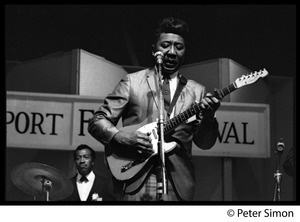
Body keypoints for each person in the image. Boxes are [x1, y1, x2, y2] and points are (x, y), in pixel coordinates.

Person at [88, 17, 220, 201]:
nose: (172, 52)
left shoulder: (197, 91)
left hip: (178, 184)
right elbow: (97, 120)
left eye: (179, 47)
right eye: (166, 45)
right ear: (154, 50)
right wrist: (119, 137)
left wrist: (209, 117)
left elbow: (205, 143)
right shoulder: (132, 82)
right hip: (136, 177)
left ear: (184, 52)